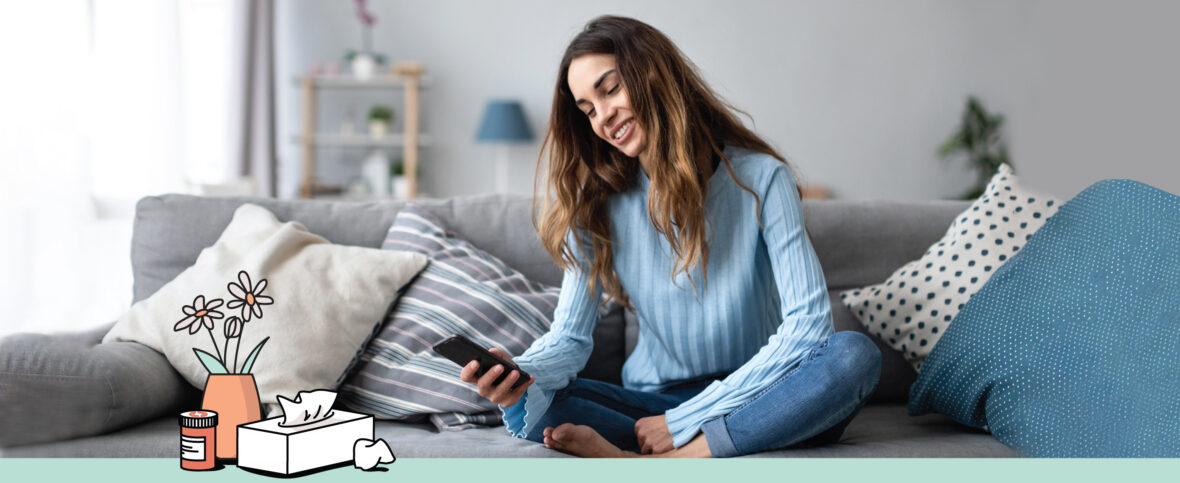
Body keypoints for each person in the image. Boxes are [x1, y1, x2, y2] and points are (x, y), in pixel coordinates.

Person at [459, 15, 881, 458]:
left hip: (757, 396)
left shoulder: (761, 179)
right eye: (587, 109)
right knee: (543, 403)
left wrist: (685, 423)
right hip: (655, 405)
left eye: (610, 89)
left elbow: (809, 330)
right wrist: (519, 375)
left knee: (853, 356)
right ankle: (701, 448)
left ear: (653, 74)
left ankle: (673, 460)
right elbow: (569, 340)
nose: (603, 117)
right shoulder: (597, 203)